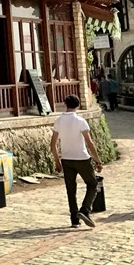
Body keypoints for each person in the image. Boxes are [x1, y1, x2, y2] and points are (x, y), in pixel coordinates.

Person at [51, 94, 103, 228]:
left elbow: (53, 144)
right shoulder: (80, 121)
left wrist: (57, 161)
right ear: (78, 105)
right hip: (81, 158)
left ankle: (74, 219)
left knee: (70, 189)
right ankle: (85, 209)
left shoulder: (58, 121)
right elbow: (89, 142)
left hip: (66, 159)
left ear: (65, 104)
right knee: (92, 184)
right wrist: (97, 160)